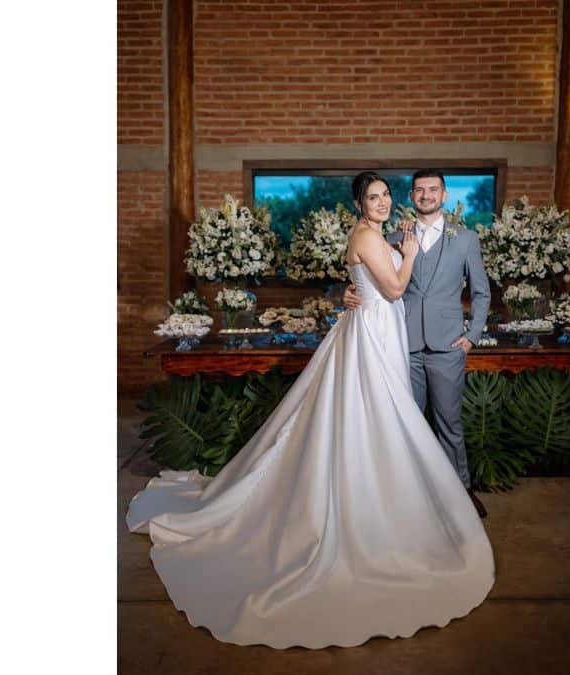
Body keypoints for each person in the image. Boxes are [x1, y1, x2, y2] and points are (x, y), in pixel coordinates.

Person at [125, 171, 494, 649]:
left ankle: (437, 495)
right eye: (374, 197)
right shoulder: (381, 236)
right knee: (381, 416)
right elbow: (393, 287)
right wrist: (401, 260)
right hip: (381, 335)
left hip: (407, 336)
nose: (384, 202)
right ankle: (377, 504)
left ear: (440, 196)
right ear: (360, 203)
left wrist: (360, 287)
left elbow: (391, 279)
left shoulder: (423, 236)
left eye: (386, 195)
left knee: (419, 421)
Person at [344, 169, 492, 517]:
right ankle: (415, 496)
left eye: (433, 190)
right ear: (411, 196)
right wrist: (347, 292)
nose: (426, 195)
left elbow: (482, 292)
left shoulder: (466, 238)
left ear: (444, 195)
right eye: (419, 190)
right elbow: (369, 277)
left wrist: (472, 336)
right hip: (399, 346)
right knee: (405, 423)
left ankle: (461, 491)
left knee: (449, 424)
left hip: (448, 346)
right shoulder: (393, 236)